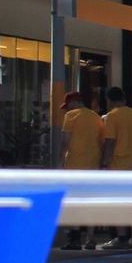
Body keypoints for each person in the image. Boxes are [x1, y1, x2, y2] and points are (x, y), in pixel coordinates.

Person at [100, 86, 132, 250]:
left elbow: (110, 141)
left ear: (109, 100)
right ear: (124, 97)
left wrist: (105, 162)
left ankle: (121, 237)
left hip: (119, 165)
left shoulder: (112, 116)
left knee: (119, 201)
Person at [57, 90, 103, 249]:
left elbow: (65, 142)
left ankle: (74, 238)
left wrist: (59, 163)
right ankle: (90, 238)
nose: (67, 110)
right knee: (90, 202)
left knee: (74, 201)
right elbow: (101, 142)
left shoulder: (71, 116)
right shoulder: (96, 118)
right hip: (93, 165)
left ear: (73, 103)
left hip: (74, 166)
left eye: (67, 106)